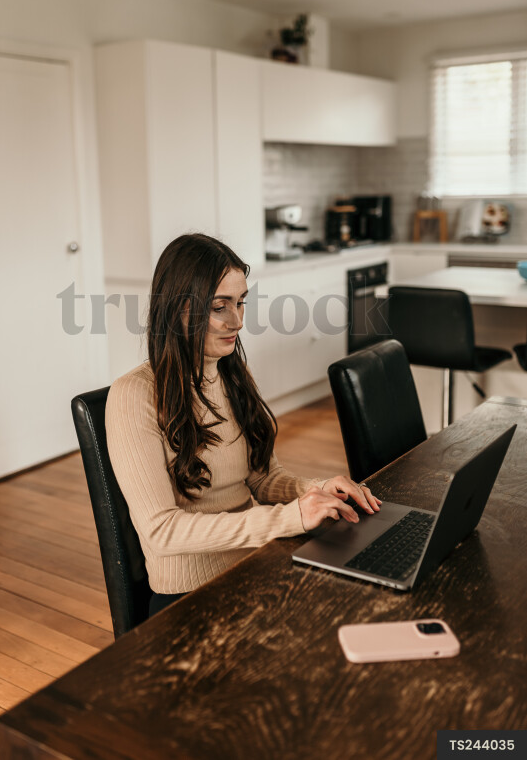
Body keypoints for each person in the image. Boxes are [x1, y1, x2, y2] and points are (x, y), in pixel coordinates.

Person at [106, 233, 380, 617]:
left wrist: (315, 491)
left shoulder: (231, 373)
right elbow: (161, 531)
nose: (236, 320)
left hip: (252, 565)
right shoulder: (133, 396)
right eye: (220, 306)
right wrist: (290, 517)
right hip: (188, 598)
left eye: (241, 303)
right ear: (178, 310)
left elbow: (263, 479)